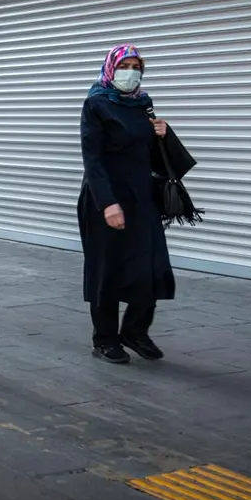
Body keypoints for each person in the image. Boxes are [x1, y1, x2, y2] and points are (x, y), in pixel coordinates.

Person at [78, 44, 175, 364]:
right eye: (125, 65)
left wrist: (164, 134)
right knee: (107, 269)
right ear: (111, 68)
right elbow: (92, 160)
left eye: (137, 66)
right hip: (104, 197)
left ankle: (135, 331)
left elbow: (156, 157)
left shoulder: (143, 103)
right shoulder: (96, 104)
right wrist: (108, 203)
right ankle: (104, 339)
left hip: (143, 197)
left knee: (151, 267)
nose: (131, 72)